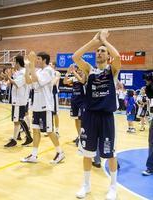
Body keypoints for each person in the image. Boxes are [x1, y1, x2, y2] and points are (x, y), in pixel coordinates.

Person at [73, 29, 121, 200]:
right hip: (90, 117)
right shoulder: (89, 70)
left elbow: (118, 58)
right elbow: (75, 57)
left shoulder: (112, 71)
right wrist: (94, 41)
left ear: (108, 56)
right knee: (87, 153)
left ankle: (113, 188)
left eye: (103, 51)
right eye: (98, 51)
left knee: (110, 154)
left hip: (106, 117)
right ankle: (86, 185)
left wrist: (105, 41)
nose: (99, 52)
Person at [21, 51, 64, 164]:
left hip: (46, 106)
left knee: (49, 131)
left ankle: (60, 152)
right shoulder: (39, 71)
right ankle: (34, 155)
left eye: (38, 59)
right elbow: (28, 80)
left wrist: (31, 64)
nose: (36, 60)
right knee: (35, 130)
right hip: (36, 106)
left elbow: (34, 79)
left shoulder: (49, 70)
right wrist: (27, 67)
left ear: (44, 60)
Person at [3, 55, 33, 147]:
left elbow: (17, 84)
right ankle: (16, 139)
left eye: (14, 62)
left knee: (19, 119)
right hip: (17, 99)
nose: (13, 64)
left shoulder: (23, 72)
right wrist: (8, 77)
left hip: (20, 99)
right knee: (17, 120)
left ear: (18, 62)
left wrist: (8, 77)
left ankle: (27, 137)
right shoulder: (19, 72)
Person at [63, 64, 86, 146]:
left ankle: (82, 136)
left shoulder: (84, 76)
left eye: (80, 70)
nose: (79, 71)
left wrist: (74, 72)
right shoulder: (74, 78)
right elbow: (65, 82)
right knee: (76, 119)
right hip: (74, 101)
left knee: (81, 120)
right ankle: (79, 135)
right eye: (78, 70)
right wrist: (67, 73)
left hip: (82, 102)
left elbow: (82, 81)